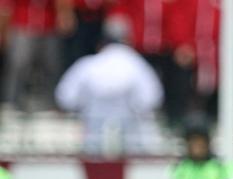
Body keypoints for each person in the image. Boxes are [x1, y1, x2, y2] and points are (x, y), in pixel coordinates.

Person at [54, 16, 164, 154]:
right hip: (132, 143)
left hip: (92, 140)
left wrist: (85, 105)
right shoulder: (137, 65)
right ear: (127, 39)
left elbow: (65, 98)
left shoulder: (88, 65)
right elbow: (152, 99)